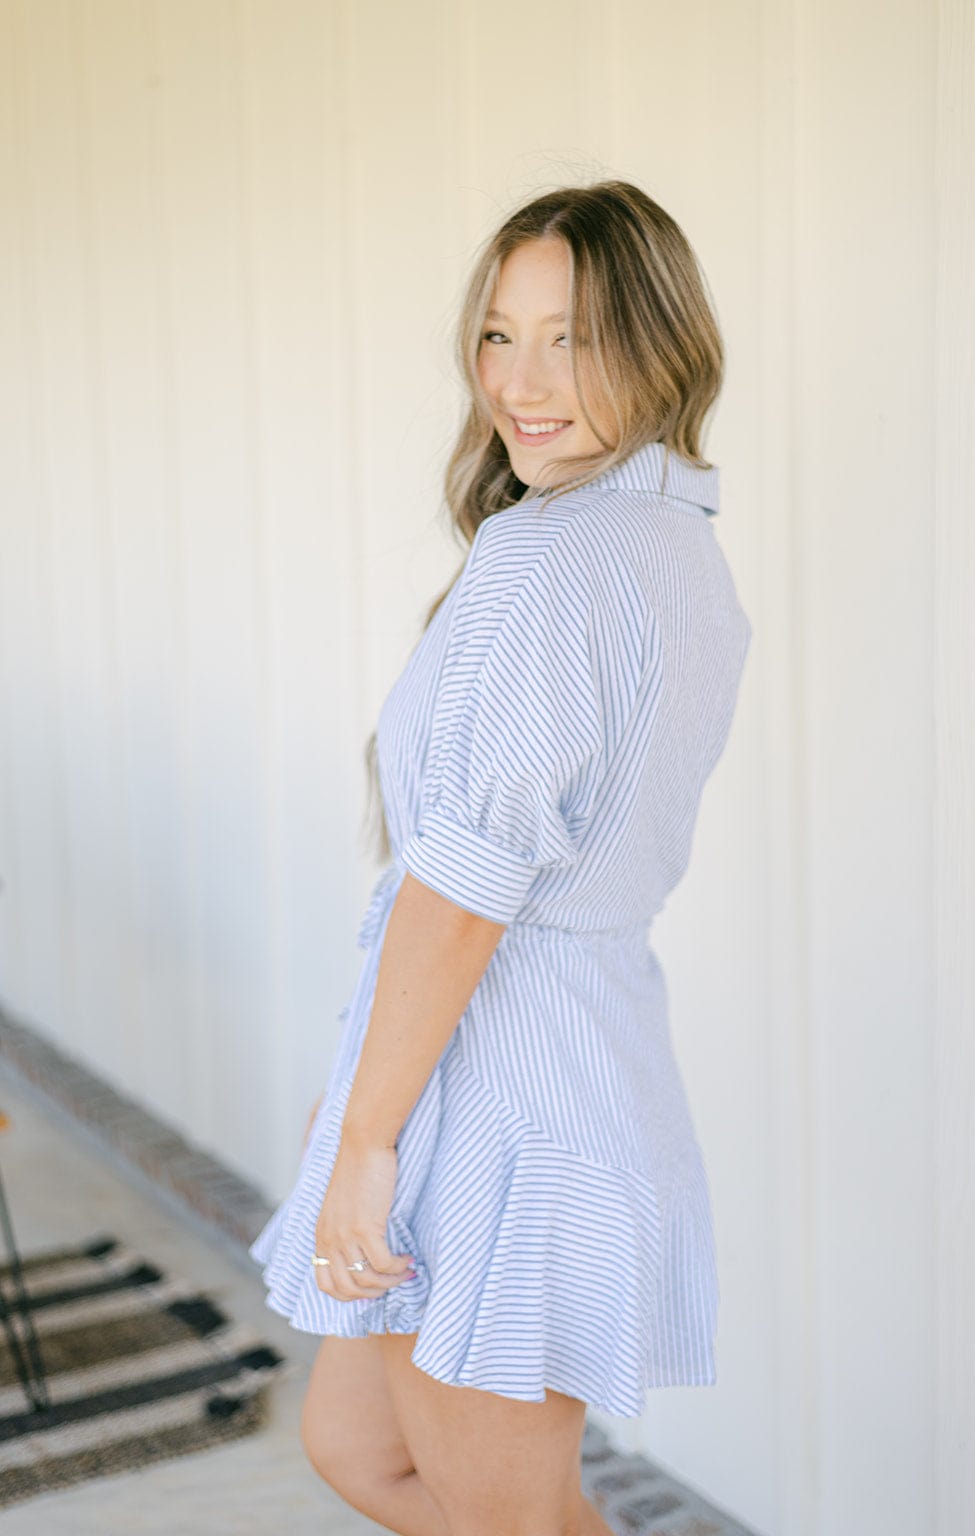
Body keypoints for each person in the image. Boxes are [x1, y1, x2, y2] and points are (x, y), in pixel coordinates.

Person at [249, 179, 752, 1536]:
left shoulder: (554, 561)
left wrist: (367, 1137)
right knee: (368, 1453)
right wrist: (368, 1100)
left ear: (661, 344)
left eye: (571, 338)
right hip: (548, 1060)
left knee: (501, 1520)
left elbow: (470, 887)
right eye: (496, 335)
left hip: (511, 1090)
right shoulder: (675, 548)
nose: (520, 384)